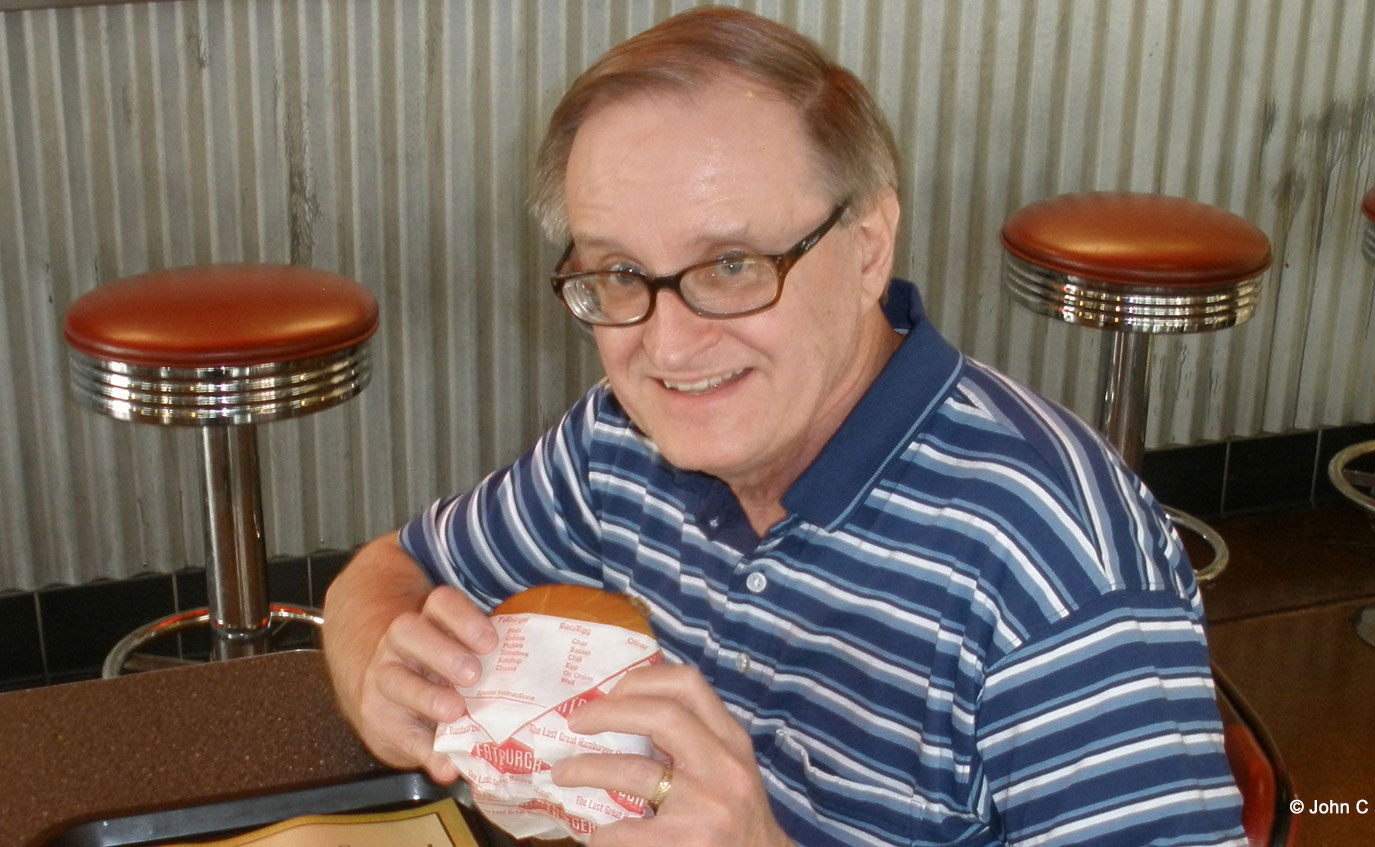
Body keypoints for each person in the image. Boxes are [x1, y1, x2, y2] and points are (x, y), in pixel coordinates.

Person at [323, 7, 1247, 847]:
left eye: (731, 264)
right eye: (618, 273)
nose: (669, 344)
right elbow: (392, 568)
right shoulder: (621, 444)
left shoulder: (1051, 562)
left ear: (868, 248)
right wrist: (377, 673)